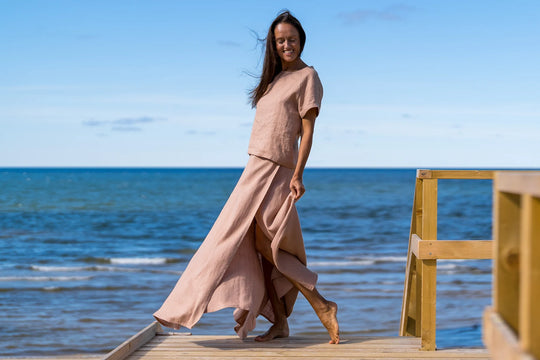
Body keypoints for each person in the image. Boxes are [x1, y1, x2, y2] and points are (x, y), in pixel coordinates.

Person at [153, 10, 340, 344]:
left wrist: (298, 174)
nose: (287, 45)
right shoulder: (272, 80)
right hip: (254, 168)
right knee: (254, 245)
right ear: (273, 44)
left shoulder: (308, 76)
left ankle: (321, 304)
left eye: (292, 39)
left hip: (277, 172)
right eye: (281, 40)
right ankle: (285, 320)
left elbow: (307, 133)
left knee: (248, 242)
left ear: (301, 41)